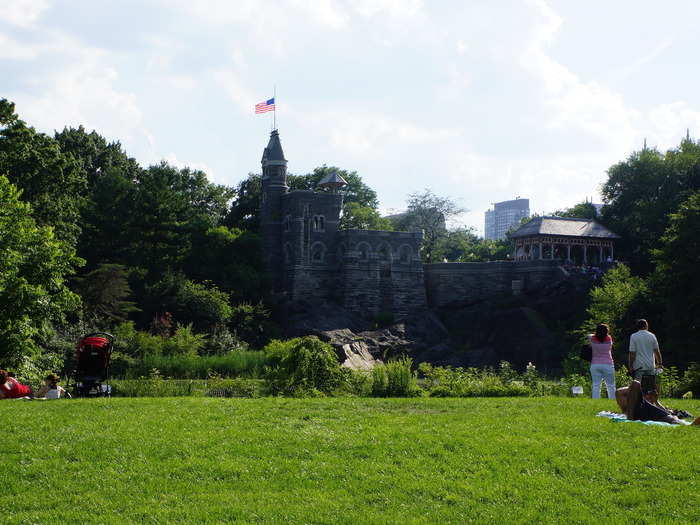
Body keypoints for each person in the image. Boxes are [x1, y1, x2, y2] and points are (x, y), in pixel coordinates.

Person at [628, 319, 663, 384]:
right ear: (646, 326)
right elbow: (656, 351)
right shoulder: (652, 336)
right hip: (650, 366)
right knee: (650, 388)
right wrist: (660, 363)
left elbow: (632, 353)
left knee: (638, 388)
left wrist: (630, 366)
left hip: (638, 367)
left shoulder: (633, 336)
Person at [589, 323, 616, 399]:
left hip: (595, 364)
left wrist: (595, 334)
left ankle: (595, 399)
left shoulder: (592, 338)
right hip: (608, 363)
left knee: (596, 385)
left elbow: (589, 335)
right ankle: (612, 399)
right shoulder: (609, 338)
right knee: (611, 385)